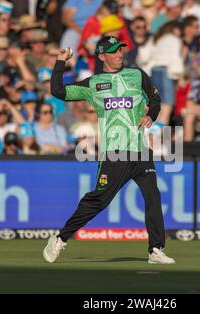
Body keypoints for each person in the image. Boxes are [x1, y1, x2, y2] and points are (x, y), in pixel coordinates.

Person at [44, 35, 174, 265]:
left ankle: (156, 249)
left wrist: (150, 116)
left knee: (153, 196)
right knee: (99, 200)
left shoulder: (137, 75)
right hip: (114, 153)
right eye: (113, 51)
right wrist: (60, 62)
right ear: (102, 56)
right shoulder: (93, 84)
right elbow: (58, 92)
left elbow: (155, 99)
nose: (119, 54)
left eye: (120, 50)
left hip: (141, 151)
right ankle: (60, 238)